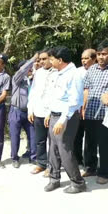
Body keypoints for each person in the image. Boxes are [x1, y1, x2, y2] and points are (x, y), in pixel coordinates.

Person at [43, 46, 86, 193]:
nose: (50, 61)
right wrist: (49, 112)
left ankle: (78, 182)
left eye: (52, 58)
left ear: (60, 60)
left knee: (64, 150)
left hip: (67, 117)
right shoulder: (57, 73)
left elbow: (73, 102)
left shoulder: (73, 75)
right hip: (55, 115)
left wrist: (62, 120)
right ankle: (54, 179)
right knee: (53, 148)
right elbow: (54, 96)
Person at [83, 40, 108, 184]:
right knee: (89, 142)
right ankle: (90, 167)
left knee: (104, 144)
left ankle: (104, 172)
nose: (100, 57)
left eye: (104, 54)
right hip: (90, 112)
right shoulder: (91, 69)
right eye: (98, 54)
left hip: (105, 115)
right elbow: (86, 88)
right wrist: (83, 108)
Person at [28, 49, 56, 176]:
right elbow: (33, 93)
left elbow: (56, 96)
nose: (42, 61)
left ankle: (52, 166)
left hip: (51, 113)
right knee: (40, 140)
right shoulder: (38, 73)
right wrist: (30, 110)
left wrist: (50, 112)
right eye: (40, 59)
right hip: (38, 112)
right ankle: (41, 163)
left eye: (45, 59)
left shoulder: (57, 73)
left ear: (51, 58)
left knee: (53, 142)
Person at [9, 55, 37, 169]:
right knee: (15, 136)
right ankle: (15, 158)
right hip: (16, 111)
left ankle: (33, 157)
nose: (30, 69)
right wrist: (32, 60)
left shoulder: (31, 81)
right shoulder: (16, 79)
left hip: (29, 112)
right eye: (28, 68)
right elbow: (22, 71)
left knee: (33, 135)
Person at [73, 49, 96, 166]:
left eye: (86, 58)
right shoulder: (77, 72)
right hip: (77, 109)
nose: (83, 61)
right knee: (77, 136)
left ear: (94, 59)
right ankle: (77, 160)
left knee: (90, 139)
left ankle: (90, 164)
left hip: (93, 110)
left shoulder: (98, 72)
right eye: (82, 58)